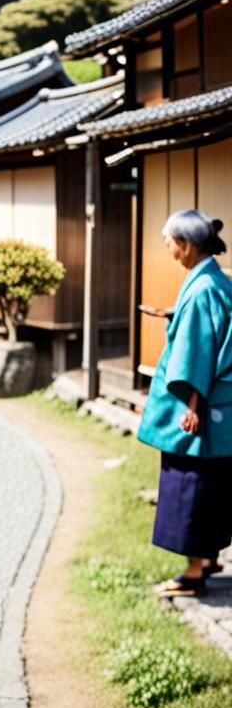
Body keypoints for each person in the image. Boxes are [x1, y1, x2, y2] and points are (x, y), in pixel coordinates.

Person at [137, 209, 232, 596]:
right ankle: (208, 557)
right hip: (218, 404)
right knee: (213, 483)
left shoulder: (203, 288)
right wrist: (175, 315)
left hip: (200, 407)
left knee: (188, 481)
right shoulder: (214, 280)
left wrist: (192, 406)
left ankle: (193, 573)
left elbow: (198, 351)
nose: (168, 249)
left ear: (187, 245)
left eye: (170, 243)